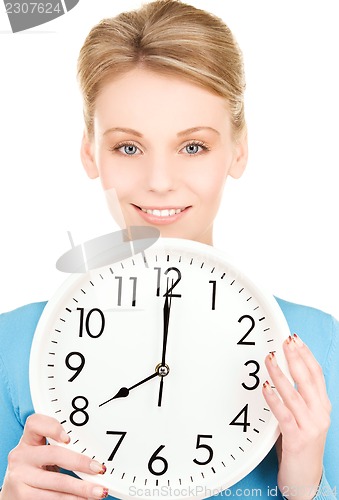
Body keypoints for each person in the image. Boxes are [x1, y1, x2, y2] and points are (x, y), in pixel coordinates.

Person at [0, 0, 338, 498]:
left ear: (238, 149)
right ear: (90, 152)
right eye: (128, 147)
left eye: (193, 146)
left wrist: (306, 485)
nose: (159, 182)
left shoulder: (316, 343)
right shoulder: (15, 343)